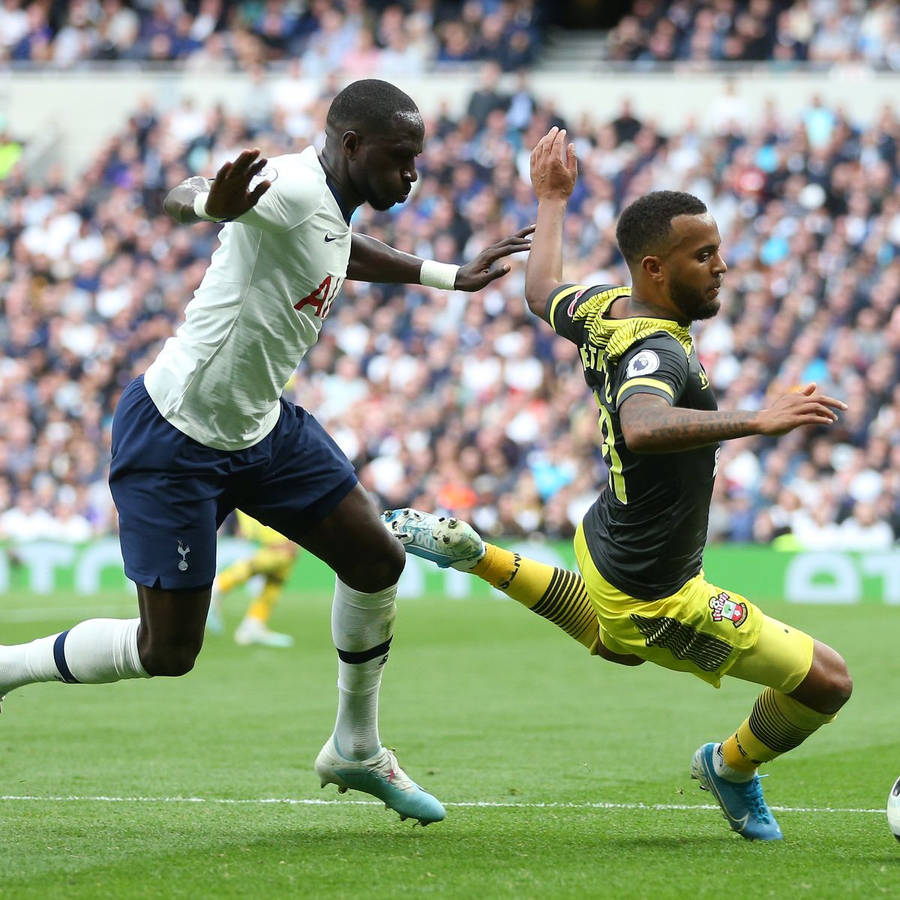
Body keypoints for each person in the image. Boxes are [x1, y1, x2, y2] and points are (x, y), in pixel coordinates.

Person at [0, 79, 531, 827]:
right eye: (399, 157)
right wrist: (210, 204)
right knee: (167, 651)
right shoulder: (285, 184)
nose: (413, 173)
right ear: (351, 146)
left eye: (417, 158)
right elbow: (187, 194)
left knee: (378, 560)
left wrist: (447, 277)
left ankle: (356, 748)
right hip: (176, 435)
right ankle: (7, 667)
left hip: (260, 429)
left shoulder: (331, 209)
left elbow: (339, 247)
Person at [382, 126, 853, 841]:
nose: (722, 266)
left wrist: (551, 199)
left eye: (719, 250)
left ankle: (483, 557)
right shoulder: (657, 350)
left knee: (618, 640)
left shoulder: (606, 309)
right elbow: (641, 423)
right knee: (826, 681)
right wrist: (757, 420)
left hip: (606, 537)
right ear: (656, 269)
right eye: (705, 256)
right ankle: (729, 767)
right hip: (656, 584)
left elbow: (541, 290)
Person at [206, 510, 298, 648]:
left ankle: (255, 623)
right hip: (260, 496)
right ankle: (219, 586)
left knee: (283, 563)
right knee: (284, 550)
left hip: (268, 495)